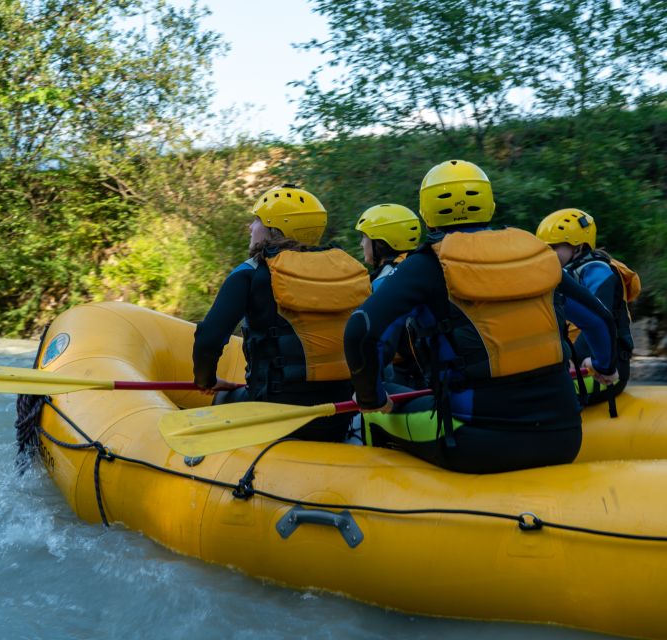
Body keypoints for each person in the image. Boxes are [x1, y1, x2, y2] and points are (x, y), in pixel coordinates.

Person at [343, 160, 620, 473]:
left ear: (426, 212)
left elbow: (361, 330)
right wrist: (604, 367)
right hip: (564, 436)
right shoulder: (536, 254)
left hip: (476, 444)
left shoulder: (426, 265)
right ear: (489, 204)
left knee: (381, 405)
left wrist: (370, 397)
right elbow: (599, 319)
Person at [192, 184, 371, 442]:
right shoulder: (346, 270)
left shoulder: (251, 273)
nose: (250, 227)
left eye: (257, 220)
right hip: (338, 413)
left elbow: (208, 340)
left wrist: (206, 380)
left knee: (224, 398)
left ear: (275, 230)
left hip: (275, 415)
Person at [536, 208, 639, 408]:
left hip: (604, 370)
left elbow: (599, 319)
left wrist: (589, 360)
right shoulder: (561, 274)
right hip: (577, 364)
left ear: (578, 247)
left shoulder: (598, 271)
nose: (547, 254)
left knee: (538, 396)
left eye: (554, 247)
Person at [355, 203, 425, 388]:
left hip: (409, 378)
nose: (362, 244)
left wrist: (366, 387)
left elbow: (382, 343)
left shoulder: (384, 280)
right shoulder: (424, 265)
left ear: (380, 242)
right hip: (433, 370)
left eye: (364, 237)